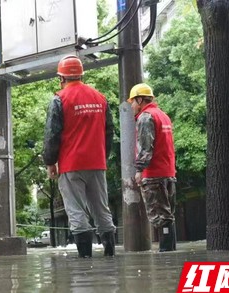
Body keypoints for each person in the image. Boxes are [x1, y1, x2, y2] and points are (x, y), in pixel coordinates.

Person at [43, 55, 116, 258]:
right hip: (97, 163)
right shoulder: (100, 98)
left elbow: (52, 134)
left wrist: (50, 162)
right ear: (81, 75)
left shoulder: (59, 99)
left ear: (61, 77)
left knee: (76, 210)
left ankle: (85, 257)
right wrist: (103, 156)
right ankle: (110, 253)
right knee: (101, 208)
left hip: (71, 164)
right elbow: (109, 131)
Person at [128, 83, 177, 252]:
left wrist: (139, 170)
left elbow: (145, 147)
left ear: (140, 100)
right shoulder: (163, 116)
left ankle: (166, 254)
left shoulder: (146, 117)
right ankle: (170, 252)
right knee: (168, 216)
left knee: (160, 218)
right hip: (169, 173)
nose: (132, 106)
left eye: (133, 102)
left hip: (154, 174)